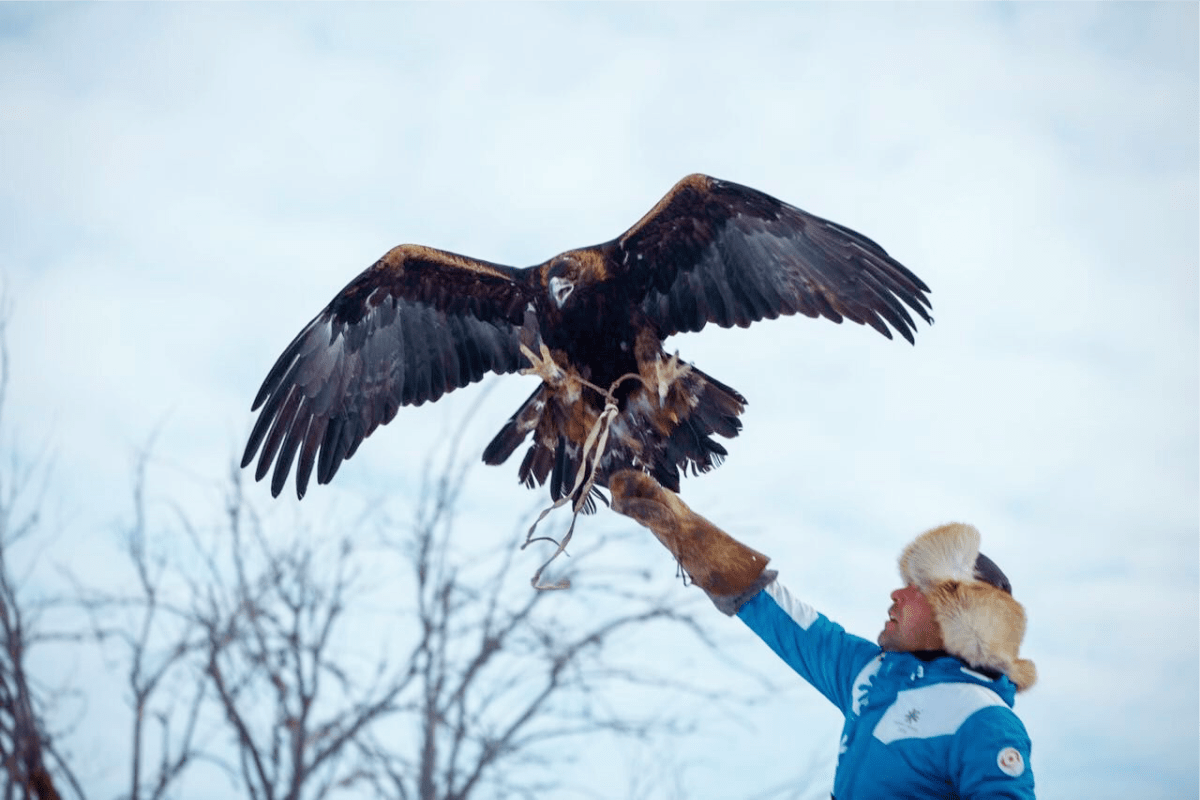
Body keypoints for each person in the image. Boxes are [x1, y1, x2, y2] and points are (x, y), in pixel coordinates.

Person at [608, 470, 1036, 799]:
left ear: (958, 618)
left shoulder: (985, 720)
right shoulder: (871, 675)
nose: (897, 593)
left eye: (918, 587)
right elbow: (778, 614)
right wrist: (679, 528)